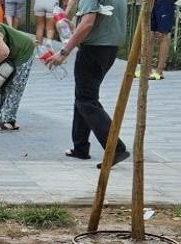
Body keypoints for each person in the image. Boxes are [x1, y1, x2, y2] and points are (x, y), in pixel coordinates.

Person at [51, 0, 129, 168]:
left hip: (93, 48)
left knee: (86, 100)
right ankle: (80, 147)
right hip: (109, 48)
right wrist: (74, 28)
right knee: (83, 96)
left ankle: (115, 147)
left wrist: (64, 52)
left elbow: (87, 24)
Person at [148, 0, 174, 80]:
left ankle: (159, 71)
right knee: (149, 35)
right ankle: (147, 70)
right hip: (150, 3)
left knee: (162, 35)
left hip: (165, 3)